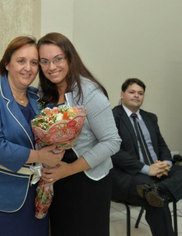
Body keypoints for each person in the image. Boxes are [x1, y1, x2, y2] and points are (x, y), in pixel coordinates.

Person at [0, 36, 65, 236]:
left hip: (36, 198)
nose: (28, 68)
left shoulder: (38, 97)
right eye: (21, 61)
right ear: (7, 64)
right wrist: (40, 157)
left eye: (34, 62)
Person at [37, 32, 121, 236]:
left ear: (69, 58)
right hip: (57, 178)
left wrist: (69, 169)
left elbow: (112, 141)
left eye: (58, 59)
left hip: (86, 180)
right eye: (44, 61)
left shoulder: (89, 92)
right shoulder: (43, 92)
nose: (52, 67)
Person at [111, 78, 182, 236]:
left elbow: (162, 145)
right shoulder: (113, 116)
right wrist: (148, 169)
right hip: (132, 175)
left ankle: (159, 190)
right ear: (122, 94)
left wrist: (166, 164)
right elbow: (114, 151)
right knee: (156, 202)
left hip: (159, 171)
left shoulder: (150, 117)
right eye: (132, 92)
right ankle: (155, 193)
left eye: (140, 93)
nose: (136, 96)